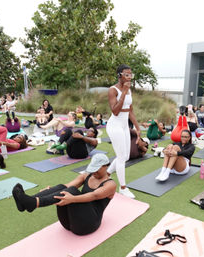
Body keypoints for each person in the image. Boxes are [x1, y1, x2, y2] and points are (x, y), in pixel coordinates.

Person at [12, 153, 116, 235]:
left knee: (72, 192)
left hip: (88, 224)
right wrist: (50, 190)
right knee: (65, 188)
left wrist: (72, 199)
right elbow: (67, 186)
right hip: (68, 223)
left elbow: (94, 195)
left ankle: (33, 203)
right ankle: (28, 201)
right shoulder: (86, 176)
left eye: (97, 169)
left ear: (106, 166)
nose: (94, 172)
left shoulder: (110, 184)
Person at [106, 64, 141, 199]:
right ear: (119, 75)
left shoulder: (129, 90)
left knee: (125, 156)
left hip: (125, 125)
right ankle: (123, 188)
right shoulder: (113, 90)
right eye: (127, 74)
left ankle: (107, 174)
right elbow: (115, 111)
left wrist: (137, 128)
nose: (129, 77)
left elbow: (130, 111)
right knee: (121, 157)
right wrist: (124, 92)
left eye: (130, 74)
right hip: (114, 125)